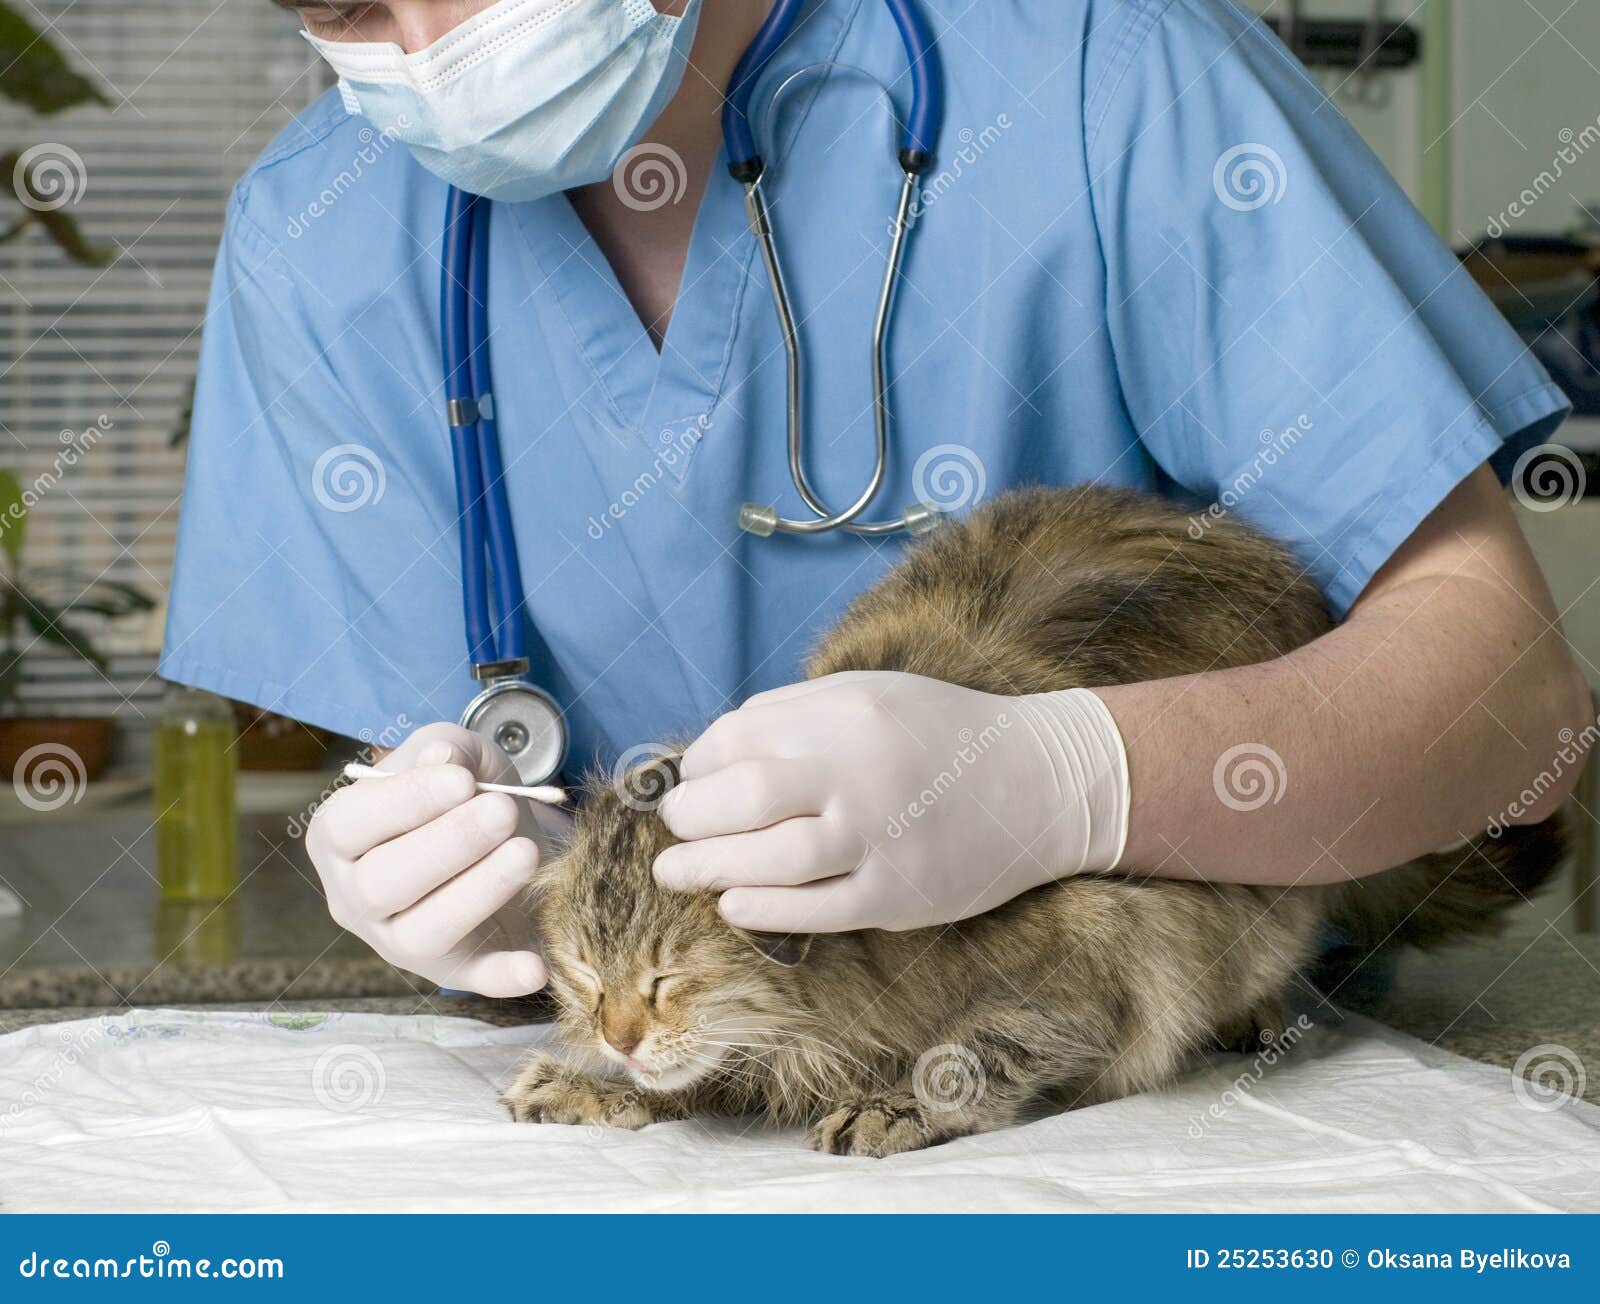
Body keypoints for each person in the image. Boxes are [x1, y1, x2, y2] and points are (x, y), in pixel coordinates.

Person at [161, 0, 1590, 997]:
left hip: (1172, 1087)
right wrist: (467, 884)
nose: (434, 53)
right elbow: (447, 757)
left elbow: (1516, 700)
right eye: (348, 8)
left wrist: (1068, 784)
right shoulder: (319, 233)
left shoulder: (1107, 71)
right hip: (684, 1110)